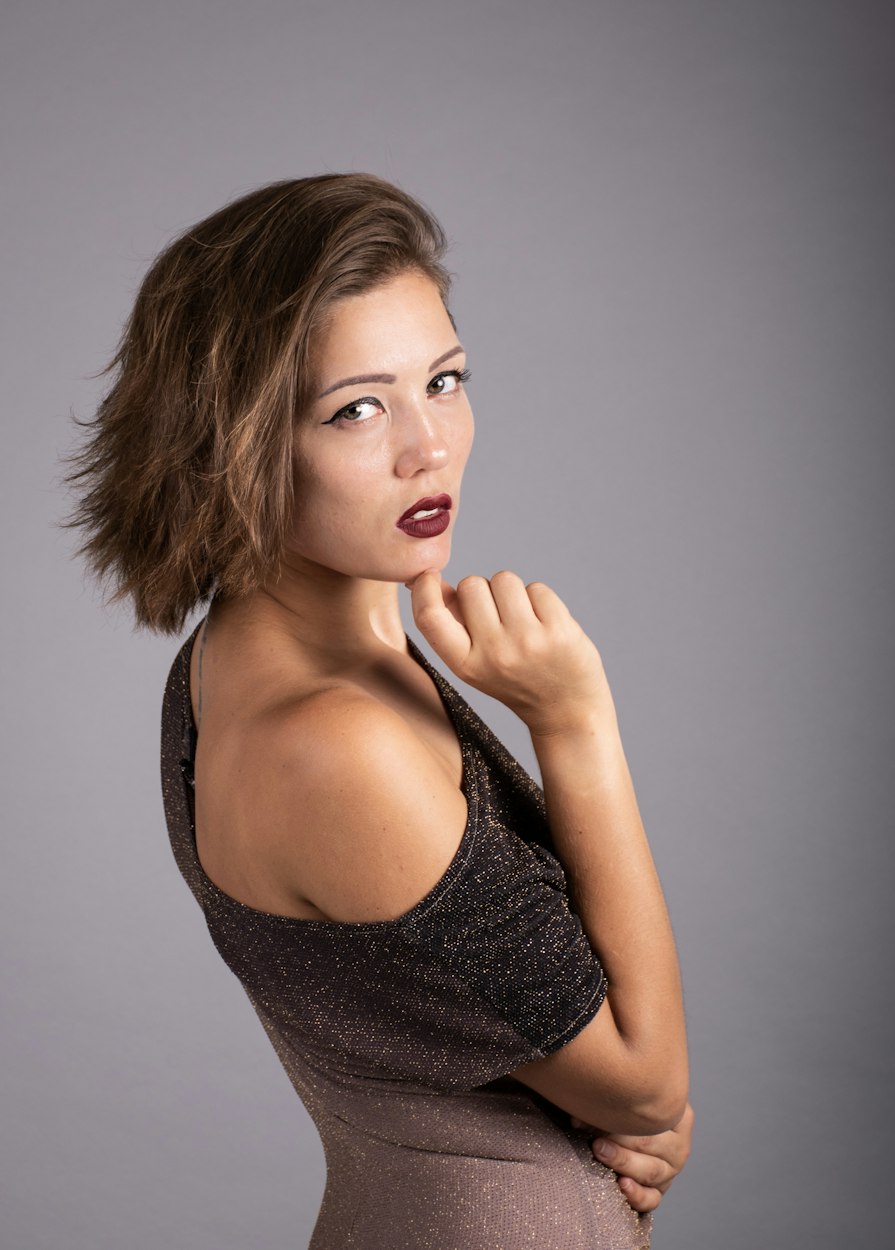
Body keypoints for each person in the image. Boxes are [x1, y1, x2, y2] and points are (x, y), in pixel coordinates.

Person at [66, 174, 693, 1249]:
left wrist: (625, 1110)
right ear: (236, 440)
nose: (428, 445)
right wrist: (576, 722)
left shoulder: (239, 662)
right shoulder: (333, 742)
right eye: (357, 407)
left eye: (444, 380)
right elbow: (639, 1079)